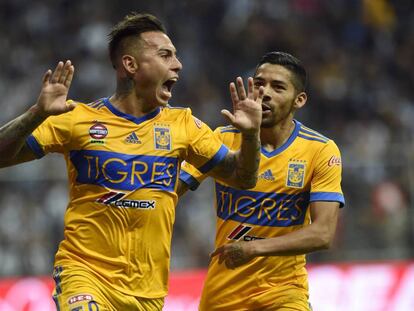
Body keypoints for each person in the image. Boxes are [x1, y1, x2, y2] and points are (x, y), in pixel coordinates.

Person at [0, 13, 263, 311]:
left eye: (176, 55)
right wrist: (37, 114)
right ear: (130, 65)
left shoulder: (184, 126)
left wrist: (251, 135)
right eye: (165, 55)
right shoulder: (78, 119)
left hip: (146, 292)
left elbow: (243, 178)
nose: (178, 64)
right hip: (85, 276)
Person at [178, 51, 345, 311]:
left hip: (284, 292)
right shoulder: (221, 139)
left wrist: (254, 248)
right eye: (259, 84)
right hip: (223, 293)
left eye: (278, 87)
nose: (264, 92)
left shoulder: (320, 150)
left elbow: (323, 234)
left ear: (299, 100)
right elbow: (167, 191)